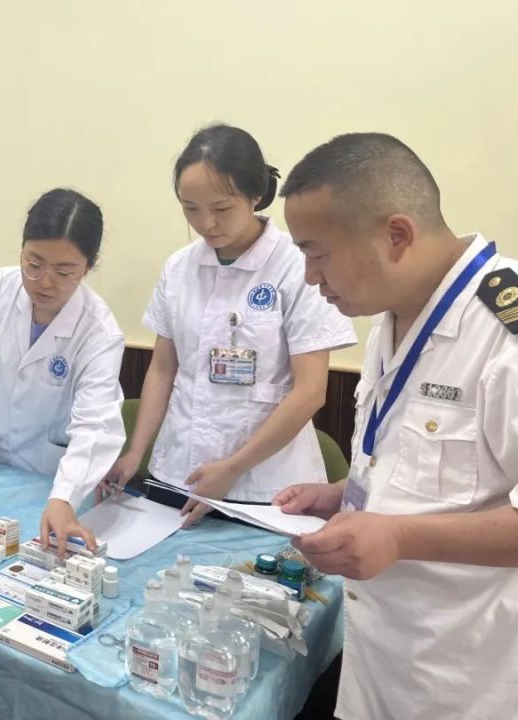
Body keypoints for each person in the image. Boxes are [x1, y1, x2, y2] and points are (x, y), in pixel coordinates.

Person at [274, 132, 518, 720]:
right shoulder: (392, 311)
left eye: (318, 252)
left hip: (464, 678)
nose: (309, 276)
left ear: (397, 235)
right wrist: (342, 496)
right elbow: (416, 465)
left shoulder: (501, 332)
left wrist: (400, 537)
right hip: (378, 657)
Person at [103, 124, 355, 526]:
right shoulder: (179, 267)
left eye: (221, 209)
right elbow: (163, 370)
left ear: (255, 195)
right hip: (179, 475)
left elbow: (311, 392)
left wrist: (234, 467)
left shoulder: (295, 264)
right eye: (190, 208)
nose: (206, 224)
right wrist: (135, 454)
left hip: (267, 488)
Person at [0, 188, 125, 556]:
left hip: (53, 479)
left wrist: (65, 497)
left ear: (89, 266)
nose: (45, 281)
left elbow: (96, 424)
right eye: (33, 264)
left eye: (64, 271)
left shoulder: (98, 331)